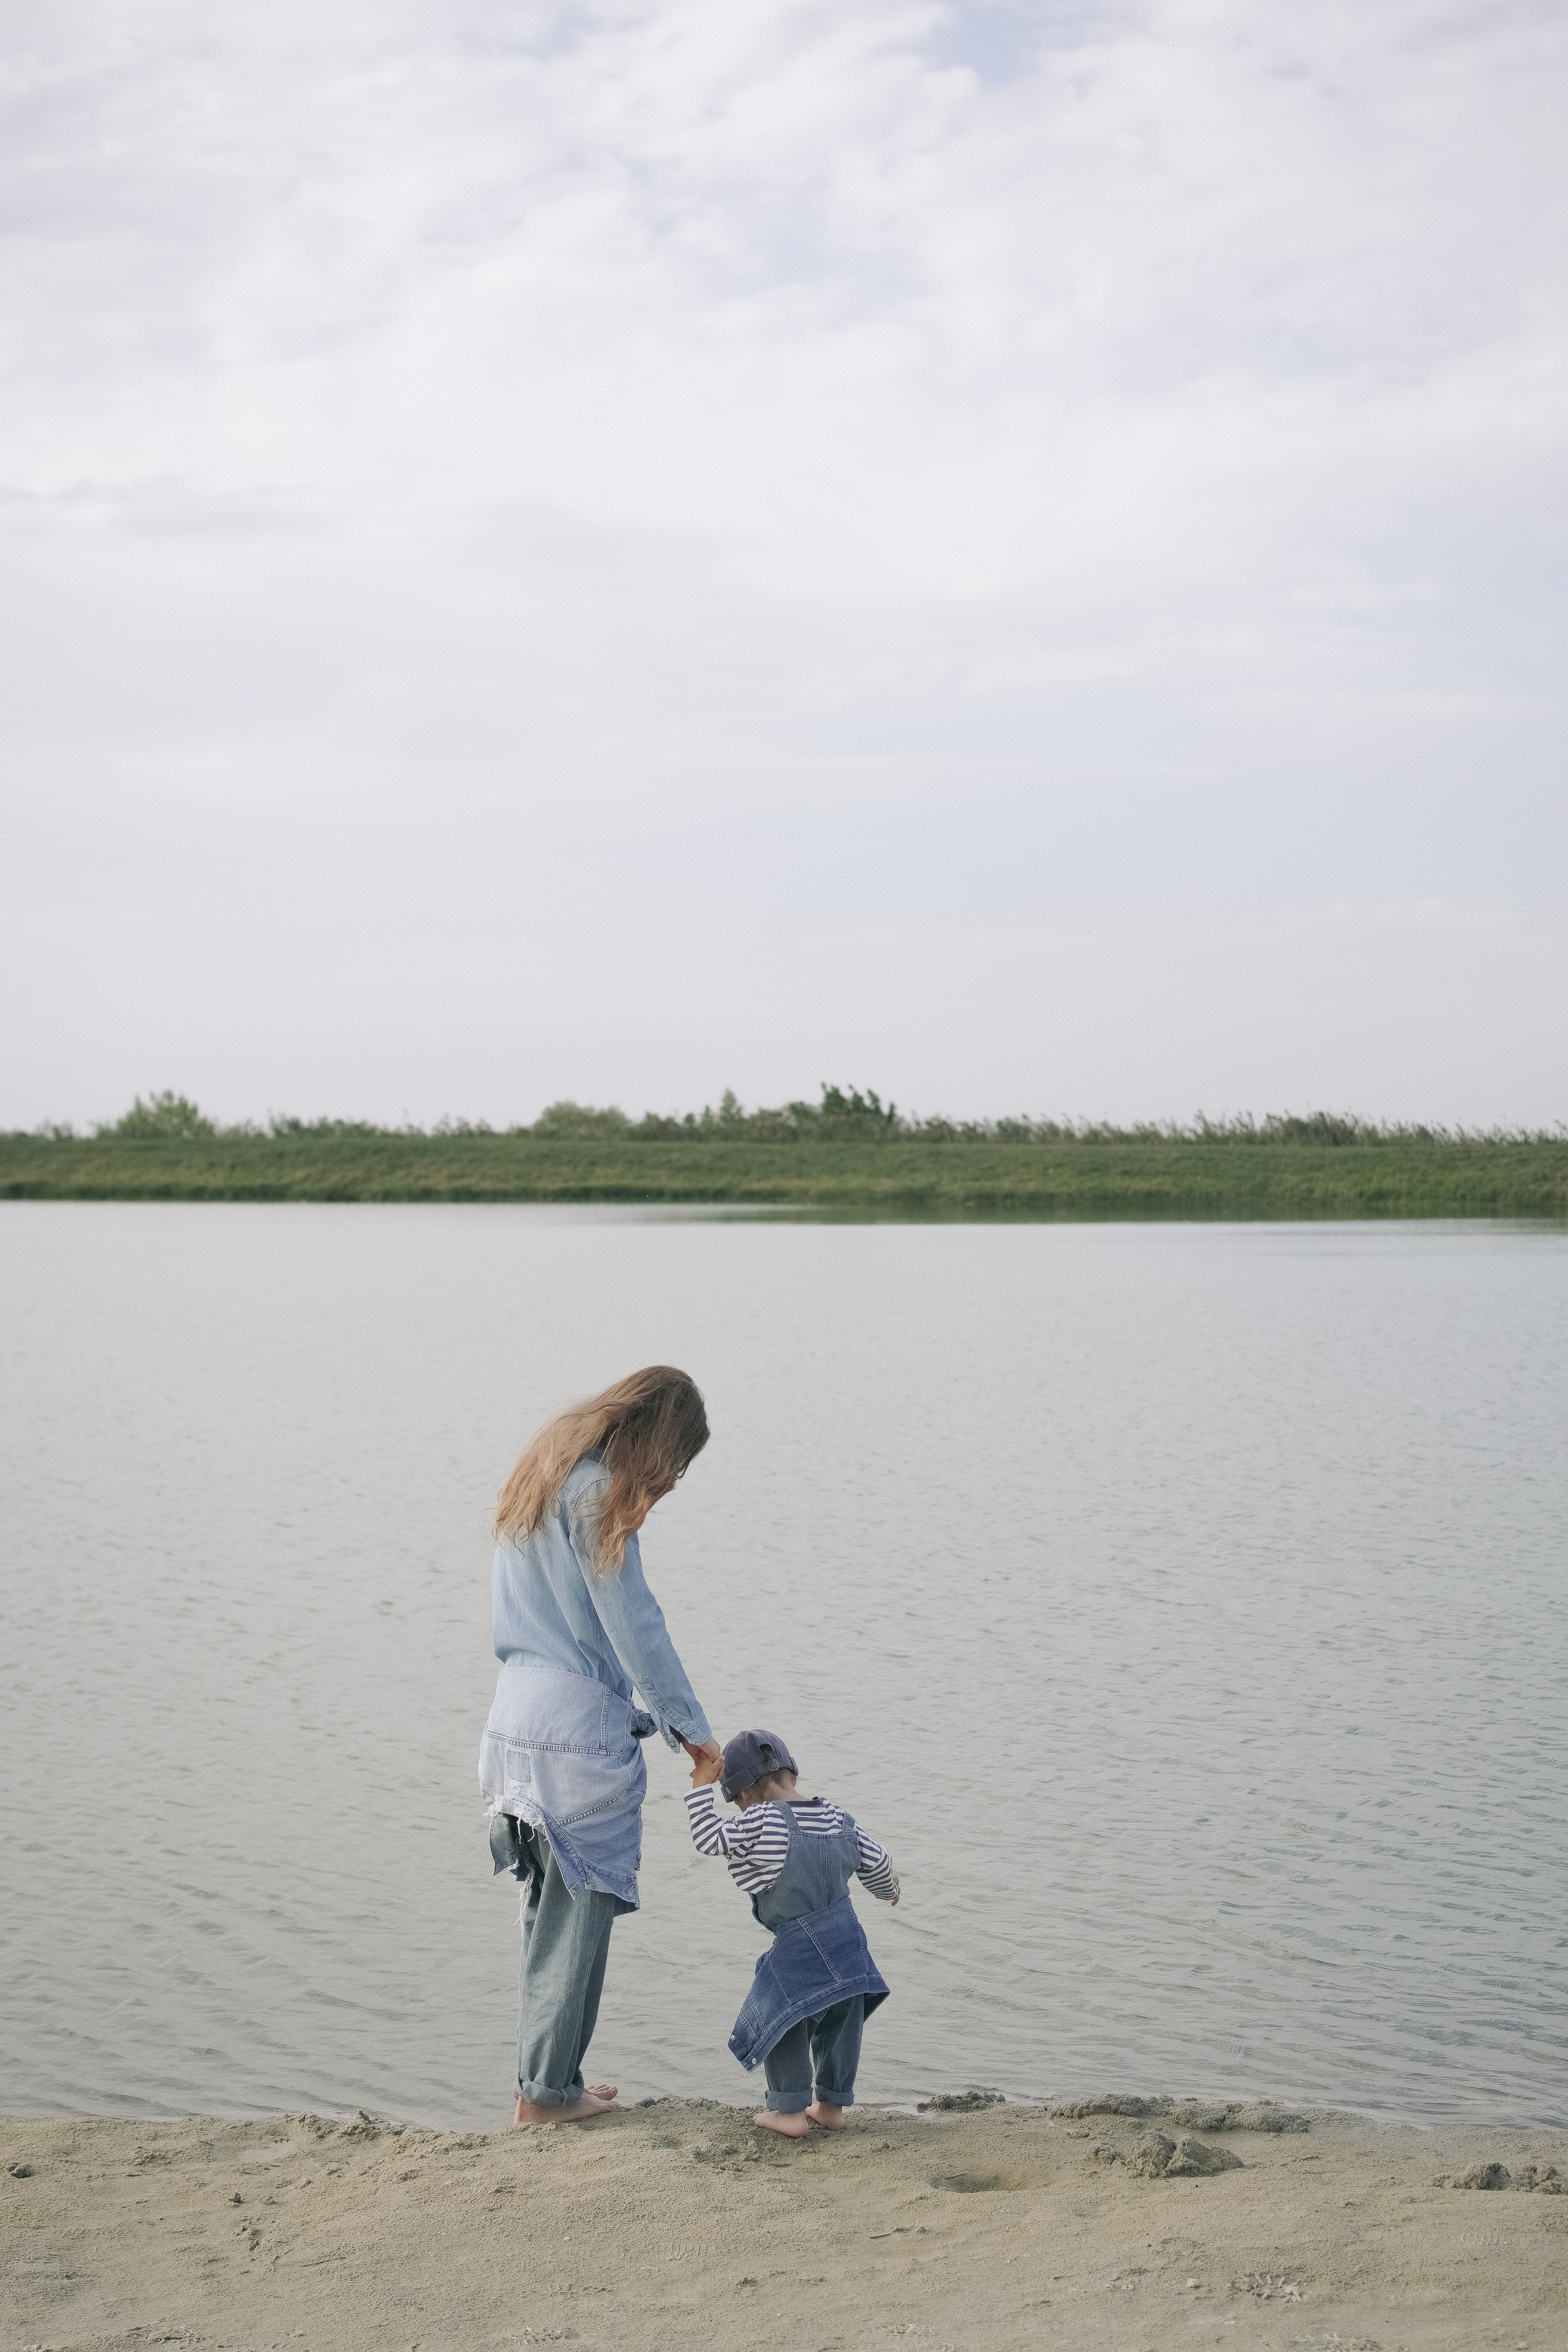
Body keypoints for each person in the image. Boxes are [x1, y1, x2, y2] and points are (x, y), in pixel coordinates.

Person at [479, 1366, 722, 2125]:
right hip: (575, 1735)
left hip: (511, 1724)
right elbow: (635, 1624)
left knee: (544, 1917)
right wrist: (694, 1734)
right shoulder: (596, 1497)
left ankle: (545, 2081)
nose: (670, 1483)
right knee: (576, 1922)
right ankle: (548, 2097)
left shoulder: (542, 1479)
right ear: (658, 1442)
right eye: (676, 1464)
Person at [685, 1728, 899, 2138]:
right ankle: (831, 2106)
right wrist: (889, 1892)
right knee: (843, 2019)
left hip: (801, 1942)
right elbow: (880, 1863)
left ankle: (788, 2110)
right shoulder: (838, 1817)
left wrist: (699, 1789)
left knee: (781, 2016)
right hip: (849, 1940)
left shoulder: (763, 1818)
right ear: (791, 1774)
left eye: (737, 1802)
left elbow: (709, 1838)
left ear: (744, 1793)